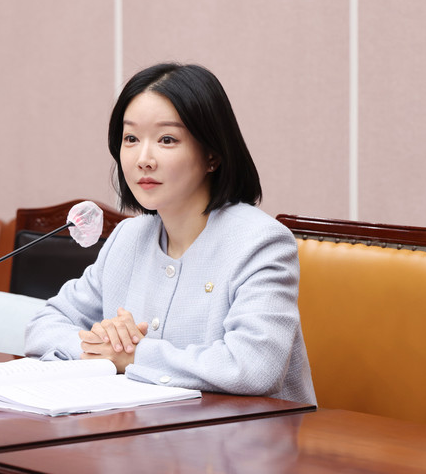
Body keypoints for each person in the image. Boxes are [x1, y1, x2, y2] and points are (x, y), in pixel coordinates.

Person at [25, 63, 316, 404]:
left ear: (212, 155)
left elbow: (254, 367)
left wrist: (134, 356)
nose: (143, 159)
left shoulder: (260, 242)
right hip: (142, 426)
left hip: (247, 433)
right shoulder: (127, 237)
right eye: (131, 139)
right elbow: (43, 326)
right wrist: (103, 348)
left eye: (167, 140)